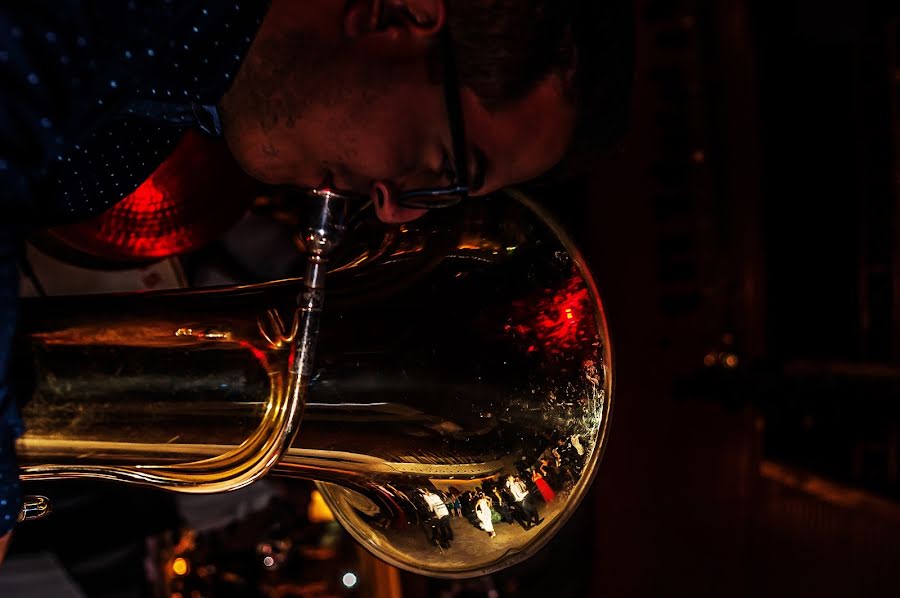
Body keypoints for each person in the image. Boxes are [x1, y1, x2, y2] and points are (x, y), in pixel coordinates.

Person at [0, 0, 633, 559]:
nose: (394, 209)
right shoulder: (133, 22)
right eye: (443, 166)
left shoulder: (170, 106)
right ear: (400, 13)